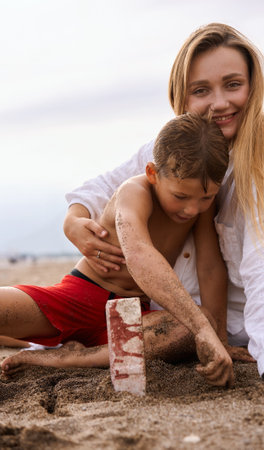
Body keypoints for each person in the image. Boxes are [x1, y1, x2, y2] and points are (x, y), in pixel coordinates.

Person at [60, 23, 264, 393]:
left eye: (233, 85)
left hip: (244, 328)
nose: (219, 103)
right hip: (177, 315)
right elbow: (107, 184)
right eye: (201, 90)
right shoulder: (175, 149)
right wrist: (75, 219)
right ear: (181, 97)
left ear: (253, 87)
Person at [1, 113, 243, 387]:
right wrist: (203, 330)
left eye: (206, 197)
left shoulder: (201, 207)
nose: (192, 208)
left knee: (193, 323)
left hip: (132, 315)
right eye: (180, 196)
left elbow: (210, 268)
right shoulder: (134, 191)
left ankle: (67, 357)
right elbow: (138, 253)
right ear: (153, 173)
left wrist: (218, 339)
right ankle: (42, 341)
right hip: (80, 295)